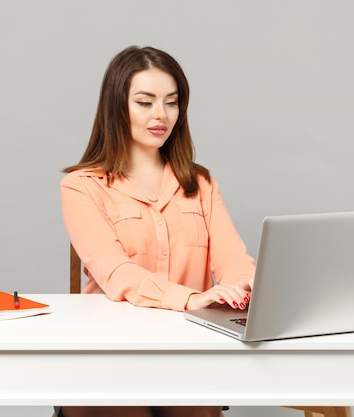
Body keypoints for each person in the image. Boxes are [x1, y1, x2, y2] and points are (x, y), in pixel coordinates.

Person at [59, 46, 256, 417]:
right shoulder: (82, 186)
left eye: (171, 102)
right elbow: (115, 272)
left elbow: (233, 258)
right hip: (107, 353)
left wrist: (242, 288)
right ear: (117, 107)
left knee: (198, 408)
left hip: (188, 351)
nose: (161, 115)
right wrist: (190, 298)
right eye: (145, 102)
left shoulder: (201, 182)